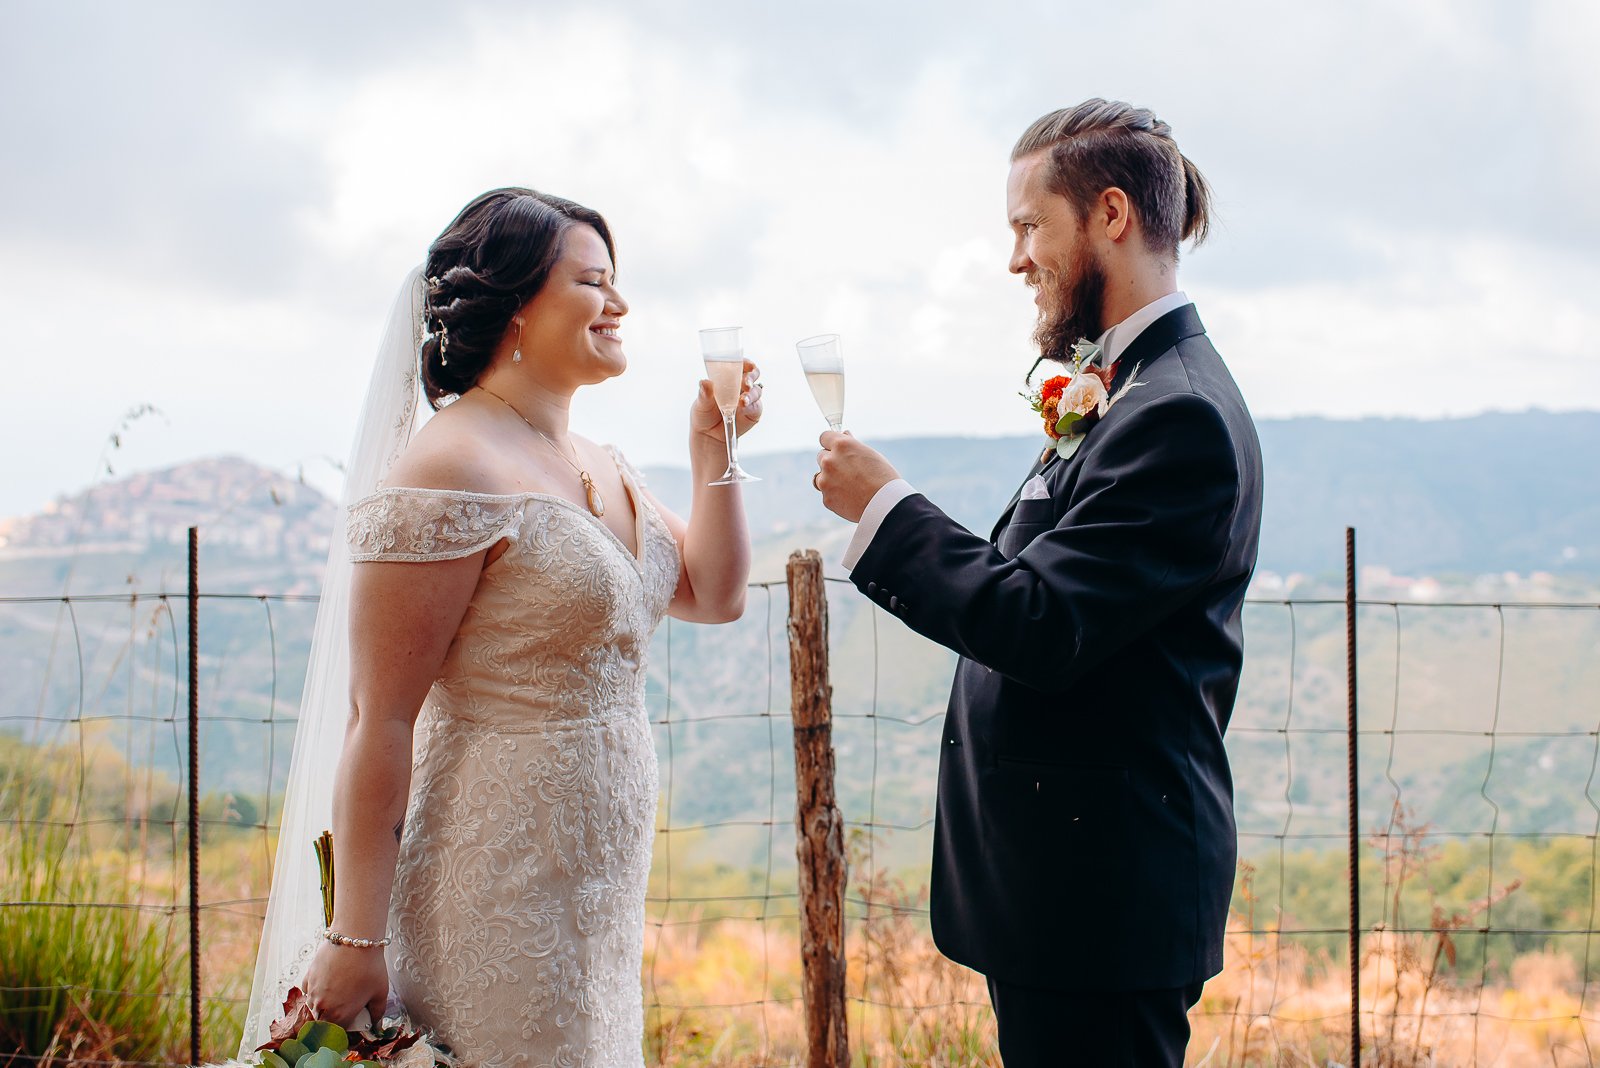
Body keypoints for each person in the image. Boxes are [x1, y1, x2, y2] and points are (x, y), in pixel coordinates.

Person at [240, 188, 762, 1065]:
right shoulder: (450, 464)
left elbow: (715, 592)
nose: (621, 304)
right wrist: (357, 938)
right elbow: (381, 718)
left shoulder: (602, 462)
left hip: (595, 889)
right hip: (494, 876)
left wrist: (717, 452)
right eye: (594, 281)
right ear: (517, 306)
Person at [812, 100, 1263, 1066]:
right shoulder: (1131, 389)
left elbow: (1041, 620)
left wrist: (886, 506)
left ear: (1109, 215)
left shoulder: (1175, 414)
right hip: (1065, 894)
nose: (1015, 259)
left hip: (1104, 897)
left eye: (1028, 226)